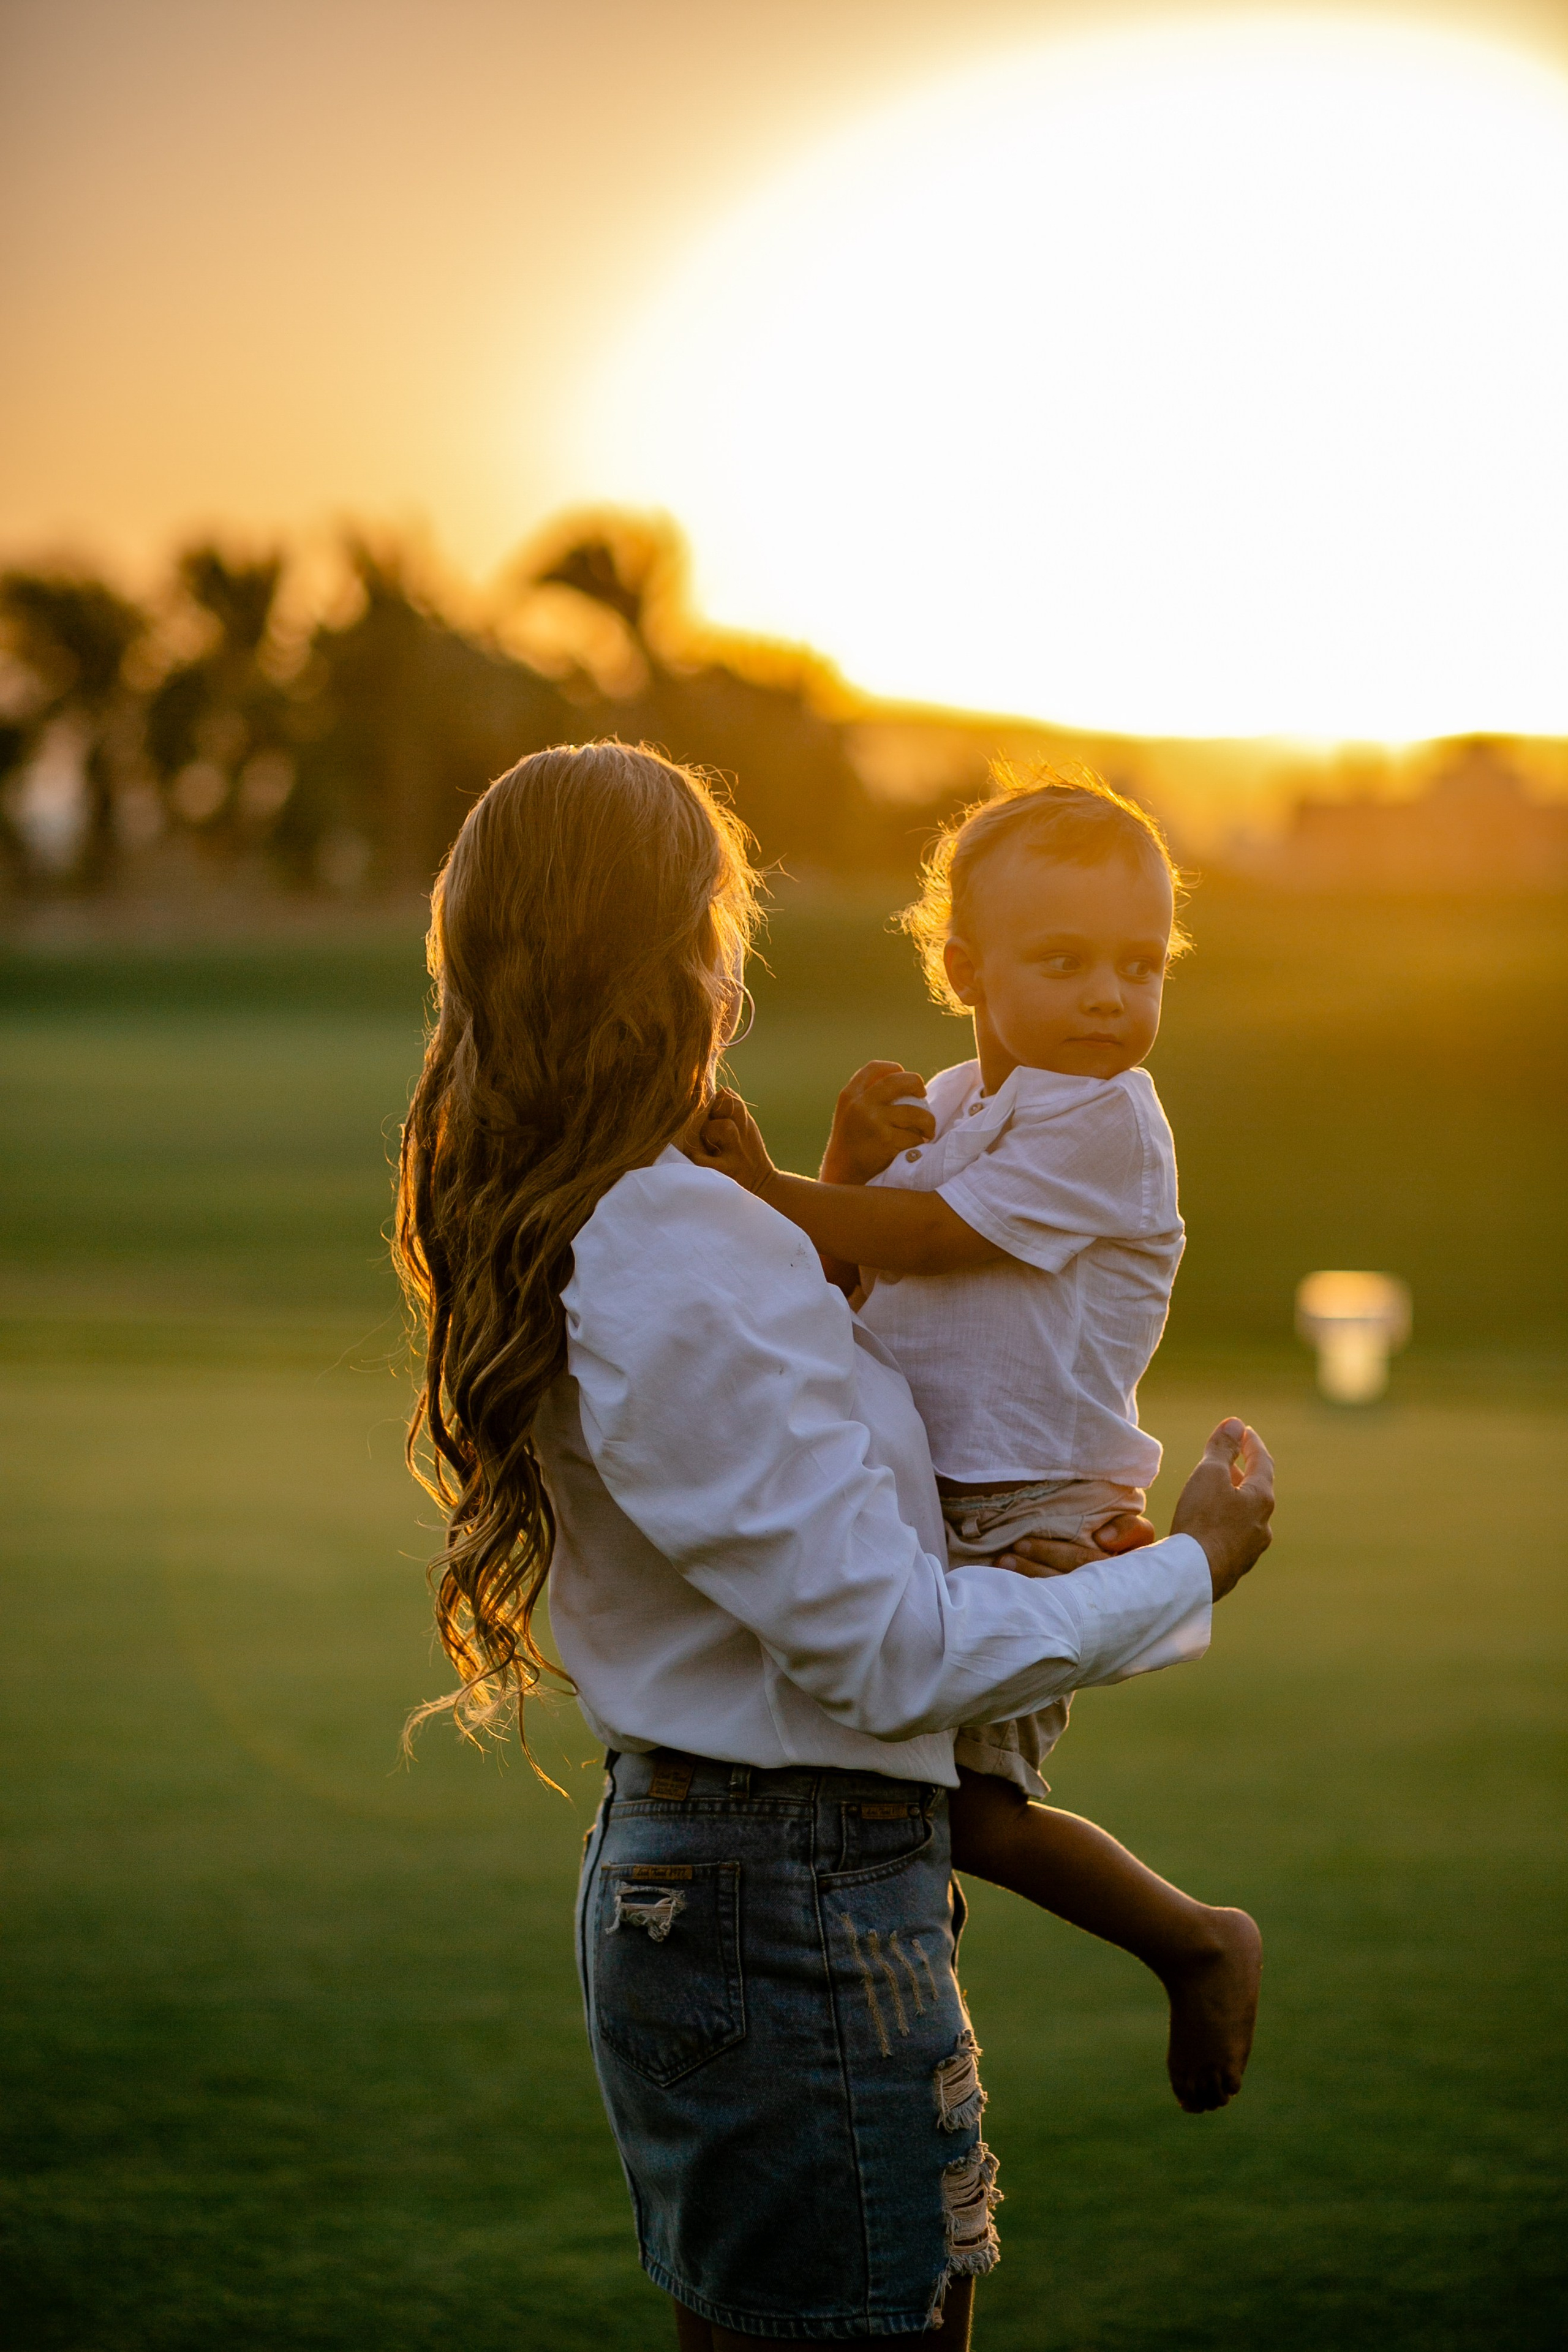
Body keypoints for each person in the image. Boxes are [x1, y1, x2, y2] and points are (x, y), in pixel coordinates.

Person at [394, 742, 1274, 2349]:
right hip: (781, 1896)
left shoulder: (649, 1214)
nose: (737, 958)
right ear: (676, 959)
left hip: (759, 1885)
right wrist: (1188, 1572)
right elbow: (882, 1657)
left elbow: (839, 1440)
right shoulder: (670, 1246)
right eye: (722, 920)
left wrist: (833, 1186)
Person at [694, 766, 1262, 2117]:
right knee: (885, 1784)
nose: (1108, 997)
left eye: (1140, 964)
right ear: (963, 969)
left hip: (1028, 1512)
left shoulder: (1107, 1120)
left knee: (968, 1812)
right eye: (1062, 961)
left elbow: (936, 1240)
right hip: (915, 1503)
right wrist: (833, 1165)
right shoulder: (950, 1108)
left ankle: (1195, 1939)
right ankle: (903, 1973)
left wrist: (766, 1185)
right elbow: (837, 1282)